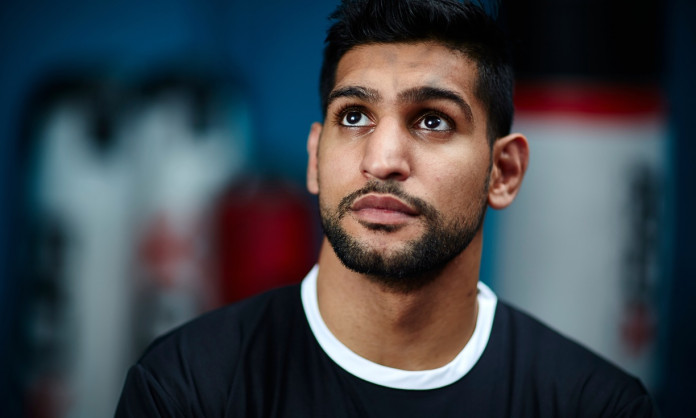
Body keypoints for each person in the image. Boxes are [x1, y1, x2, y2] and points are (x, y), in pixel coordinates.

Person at [115, 0, 659, 416]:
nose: (382, 160)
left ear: (504, 172)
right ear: (315, 158)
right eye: (353, 117)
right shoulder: (187, 388)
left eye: (432, 120)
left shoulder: (593, 405)